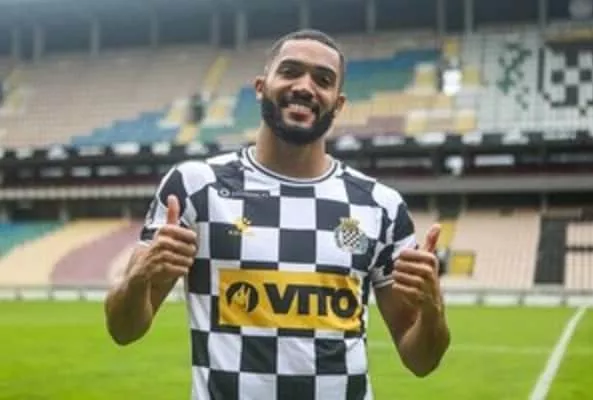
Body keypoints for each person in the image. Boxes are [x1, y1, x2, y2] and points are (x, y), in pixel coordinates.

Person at [104, 29, 450, 399]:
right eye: (290, 71)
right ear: (260, 86)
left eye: (323, 80)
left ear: (338, 104)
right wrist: (137, 279)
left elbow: (422, 361)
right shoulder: (195, 187)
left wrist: (433, 309)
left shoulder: (380, 205)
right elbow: (124, 331)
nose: (305, 87)